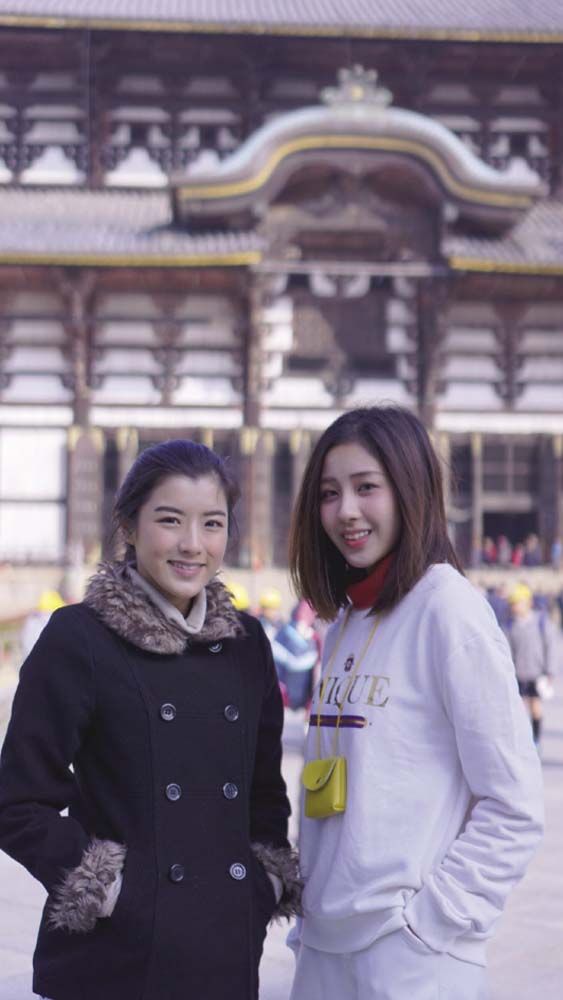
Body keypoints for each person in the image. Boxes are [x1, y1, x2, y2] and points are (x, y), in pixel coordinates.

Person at [0, 439, 301, 1000]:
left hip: (225, 954)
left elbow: (264, 792)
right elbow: (18, 801)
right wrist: (110, 890)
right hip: (116, 961)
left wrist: (263, 882)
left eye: (212, 524)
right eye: (170, 520)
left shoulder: (247, 642)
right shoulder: (80, 638)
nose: (193, 544)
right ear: (129, 527)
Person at [287, 405, 543, 1000]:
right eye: (329, 493)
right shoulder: (345, 621)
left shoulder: (448, 610)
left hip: (409, 956)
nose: (346, 511)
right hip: (325, 949)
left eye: (366, 487)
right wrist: (308, 923)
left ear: (411, 489)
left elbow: (514, 803)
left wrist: (431, 922)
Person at [508, 583, 558, 749]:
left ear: (528, 602)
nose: (514, 607)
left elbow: (550, 646)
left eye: (517, 603)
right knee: (519, 710)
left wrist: (550, 670)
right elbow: (508, 650)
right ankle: (523, 739)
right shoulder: (510, 626)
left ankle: (536, 738)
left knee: (535, 707)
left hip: (537, 673)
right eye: (512, 604)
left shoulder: (541, 621)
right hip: (518, 674)